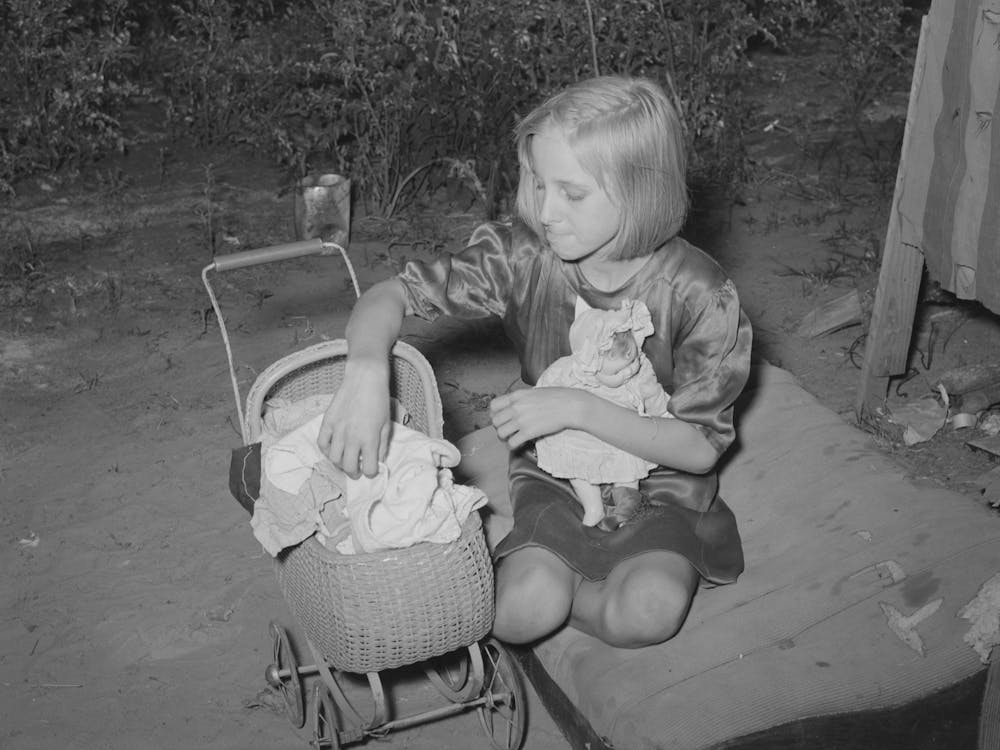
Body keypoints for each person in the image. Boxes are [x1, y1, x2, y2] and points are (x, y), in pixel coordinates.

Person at [318, 75, 752, 649]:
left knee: (647, 613)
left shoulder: (701, 293)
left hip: (660, 478)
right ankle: (556, 580)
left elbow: (698, 449)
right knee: (520, 612)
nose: (546, 211)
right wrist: (367, 371)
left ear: (641, 190)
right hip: (555, 470)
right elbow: (389, 296)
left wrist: (577, 407)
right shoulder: (524, 255)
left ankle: (591, 585)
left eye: (571, 193)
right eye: (539, 183)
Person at [534, 298, 672, 529]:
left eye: (633, 360)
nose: (629, 371)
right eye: (618, 370)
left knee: (629, 470)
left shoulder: (639, 374)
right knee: (576, 470)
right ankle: (593, 508)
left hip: (622, 435)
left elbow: (654, 397)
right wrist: (538, 409)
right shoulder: (572, 371)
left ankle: (627, 504)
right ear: (590, 363)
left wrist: (667, 415)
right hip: (582, 437)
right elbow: (546, 386)